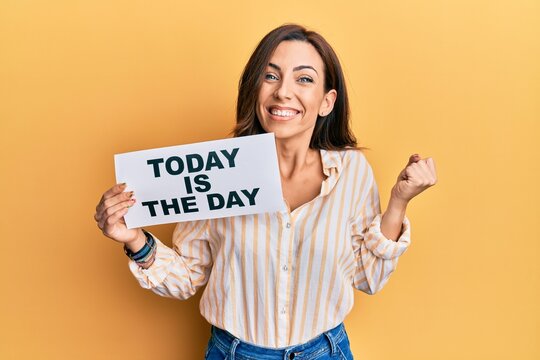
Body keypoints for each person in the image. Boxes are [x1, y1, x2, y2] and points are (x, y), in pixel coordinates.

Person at [94, 24, 437, 359]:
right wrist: (135, 240)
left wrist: (398, 202)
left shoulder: (352, 173)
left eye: (304, 79)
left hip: (326, 352)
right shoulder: (217, 171)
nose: (283, 92)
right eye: (271, 76)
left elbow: (369, 277)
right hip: (234, 353)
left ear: (327, 101)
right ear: (255, 90)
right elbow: (186, 277)